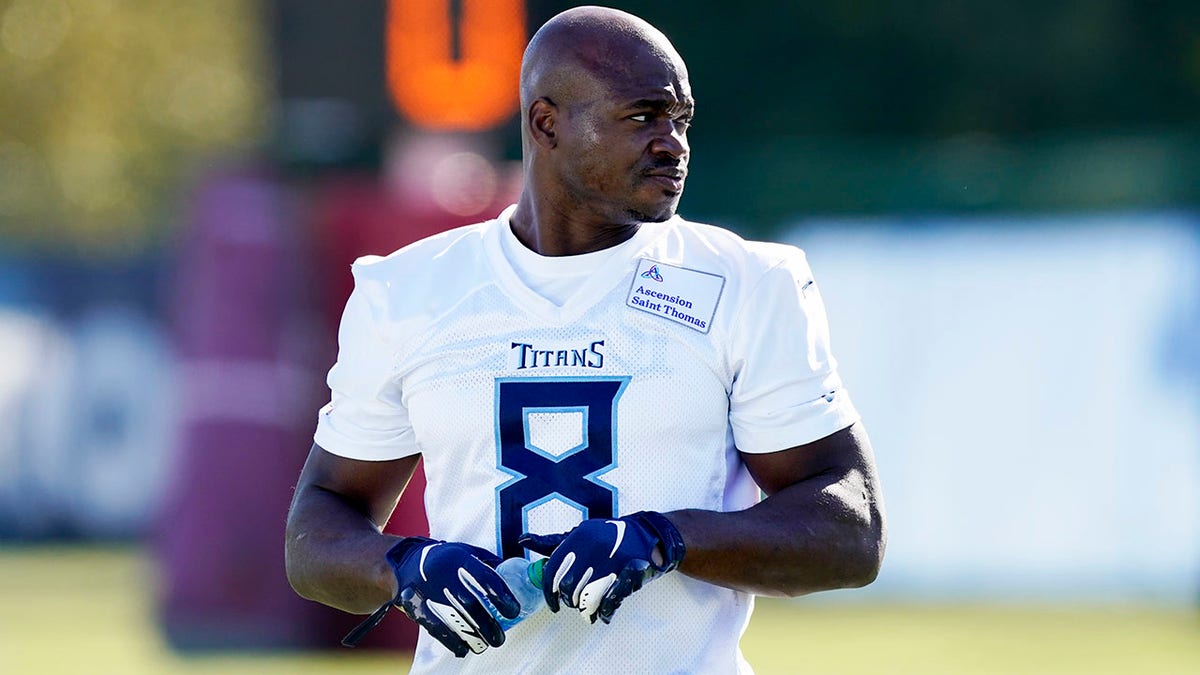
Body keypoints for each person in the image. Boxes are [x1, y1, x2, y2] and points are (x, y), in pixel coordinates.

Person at [285, 6, 886, 673]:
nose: (672, 145)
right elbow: (317, 530)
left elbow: (849, 528)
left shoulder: (745, 282)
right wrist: (404, 564)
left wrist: (667, 538)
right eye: (641, 117)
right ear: (547, 124)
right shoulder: (408, 291)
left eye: (679, 119)